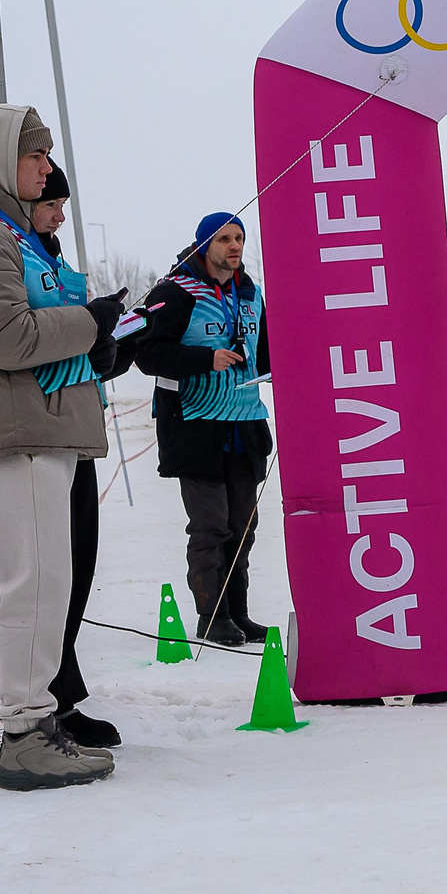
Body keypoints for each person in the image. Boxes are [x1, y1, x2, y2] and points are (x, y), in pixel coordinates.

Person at [0, 104, 124, 791]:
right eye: (34, 154)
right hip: (12, 430)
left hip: (33, 425)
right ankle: (24, 733)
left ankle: (37, 719)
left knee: (41, 583)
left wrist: (94, 341)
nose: (46, 166)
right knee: (29, 584)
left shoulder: (8, 235)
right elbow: (5, 337)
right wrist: (89, 322)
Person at [137, 210, 271, 647]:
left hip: (246, 423)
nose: (234, 247)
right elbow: (148, 355)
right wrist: (203, 359)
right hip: (196, 426)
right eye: (223, 240)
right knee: (211, 526)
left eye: (239, 238)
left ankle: (239, 613)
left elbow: (266, 354)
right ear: (202, 246)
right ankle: (211, 616)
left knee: (242, 527)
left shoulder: (251, 293)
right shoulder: (176, 291)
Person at [32, 164, 130, 748]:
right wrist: (90, 327)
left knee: (77, 571)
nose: (60, 216)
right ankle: (44, 709)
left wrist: (112, 345)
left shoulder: (52, 258)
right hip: (39, 430)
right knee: (48, 578)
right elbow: (25, 341)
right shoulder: (10, 257)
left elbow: (71, 350)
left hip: (75, 424)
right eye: (53, 203)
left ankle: (63, 701)